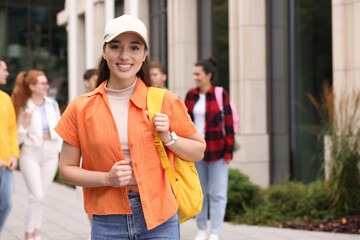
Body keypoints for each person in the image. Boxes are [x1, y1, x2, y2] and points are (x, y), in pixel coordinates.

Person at [54, 14, 206, 240]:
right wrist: (107, 179)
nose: (124, 56)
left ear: (144, 55)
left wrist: (168, 137)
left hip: (160, 217)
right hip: (107, 220)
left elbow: (198, 150)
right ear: (104, 52)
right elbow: (66, 169)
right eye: (115, 46)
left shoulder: (165, 101)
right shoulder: (80, 107)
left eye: (134, 48)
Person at [185, 57, 235, 240]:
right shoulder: (191, 95)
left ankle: (214, 232)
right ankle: (200, 229)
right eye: (194, 74)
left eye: (198, 74)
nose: (195, 77)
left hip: (218, 151)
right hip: (197, 151)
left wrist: (229, 151)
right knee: (200, 193)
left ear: (208, 75)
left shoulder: (221, 94)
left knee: (218, 194)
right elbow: (184, 124)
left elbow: (228, 125)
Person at [11, 70, 62, 240]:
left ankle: (36, 233)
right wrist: (25, 120)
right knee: (36, 196)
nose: (47, 86)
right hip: (30, 154)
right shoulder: (23, 106)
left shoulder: (52, 104)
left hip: (51, 153)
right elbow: (17, 138)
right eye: (42, 83)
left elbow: (60, 131)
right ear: (32, 86)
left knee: (43, 197)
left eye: (47, 82)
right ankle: (28, 235)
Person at [0, 59, 20, 238]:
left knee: (6, 204)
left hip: (6, 166)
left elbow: (11, 129)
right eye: (4, 70)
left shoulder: (5, 99)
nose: (7, 73)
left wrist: (14, 154)